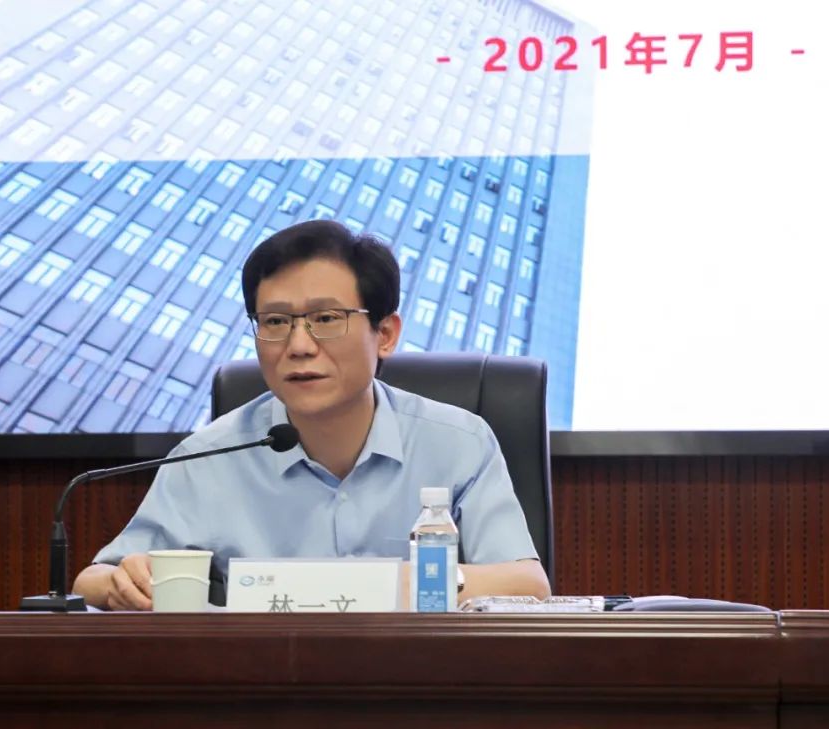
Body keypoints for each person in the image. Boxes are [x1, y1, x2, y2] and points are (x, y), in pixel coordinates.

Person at [73, 220, 550, 610]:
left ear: (385, 334)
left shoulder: (459, 442)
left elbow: (528, 585)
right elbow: (92, 581)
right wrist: (124, 582)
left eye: (326, 319)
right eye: (276, 322)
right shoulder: (208, 456)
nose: (299, 346)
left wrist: (410, 584)